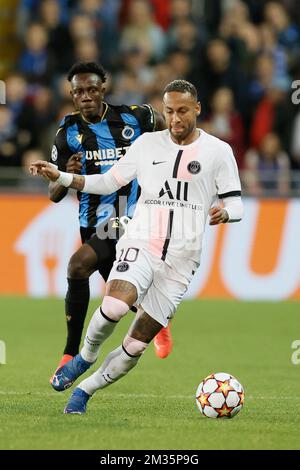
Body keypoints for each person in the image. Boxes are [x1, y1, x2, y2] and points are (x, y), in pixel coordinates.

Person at [30, 79, 244, 414]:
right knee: (115, 307)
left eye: (183, 111)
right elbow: (107, 181)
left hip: (182, 260)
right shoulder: (146, 145)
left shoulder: (219, 152)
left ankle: (84, 391)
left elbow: (237, 204)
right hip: (142, 240)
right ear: (163, 110)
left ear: (197, 109)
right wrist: (62, 176)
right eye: (169, 111)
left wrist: (226, 212)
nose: (175, 118)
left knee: (134, 346)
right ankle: (84, 357)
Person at [48, 61, 172, 385]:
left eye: (91, 89)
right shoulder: (67, 133)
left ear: (104, 87)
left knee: (77, 266)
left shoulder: (135, 117)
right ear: (72, 95)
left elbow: (166, 136)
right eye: (79, 92)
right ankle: (154, 317)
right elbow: (53, 193)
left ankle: (69, 354)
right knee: (116, 293)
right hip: (91, 222)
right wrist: (67, 174)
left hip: (129, 215)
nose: (86, 96)